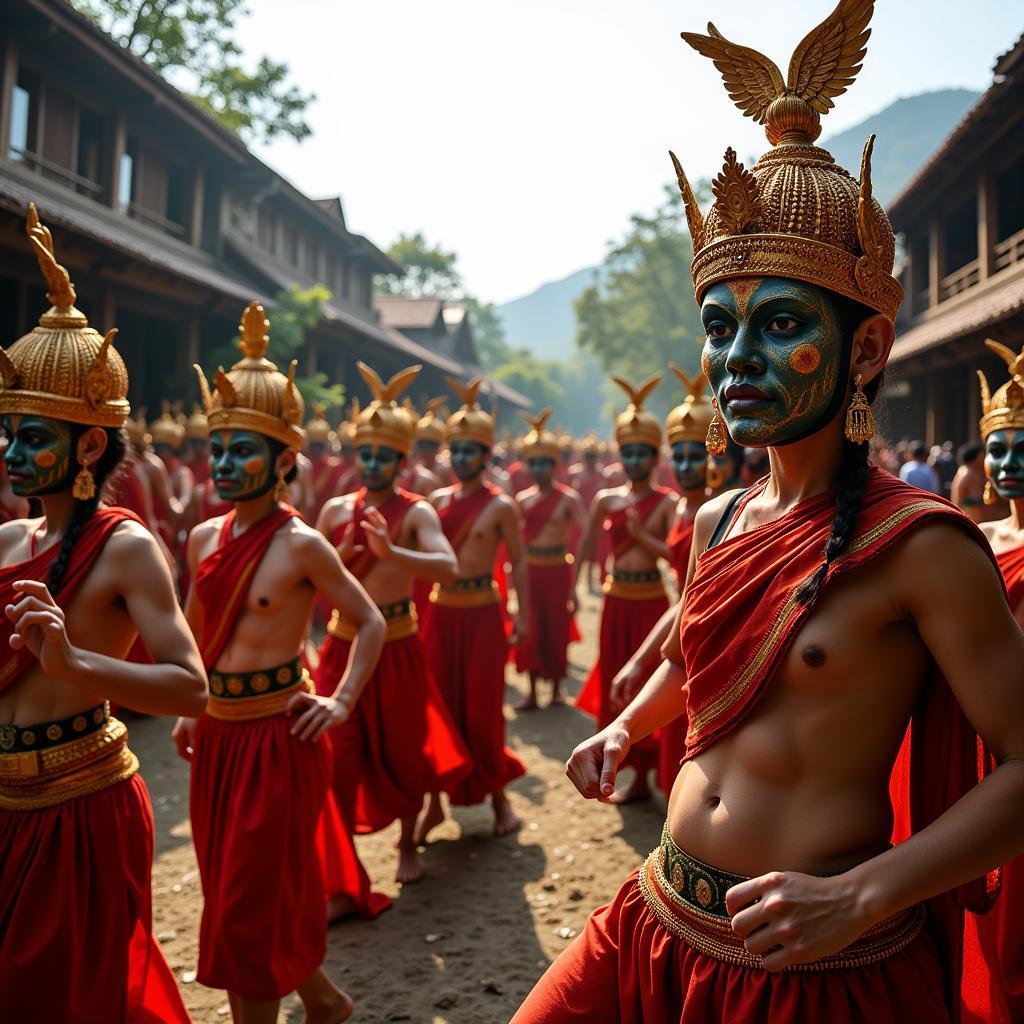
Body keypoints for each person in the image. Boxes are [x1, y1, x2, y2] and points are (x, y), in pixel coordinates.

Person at [513, 4, 1024, 1020]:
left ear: (867, 350)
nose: (737, 357)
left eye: (779, 323)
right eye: (719, 326)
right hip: (656, 909)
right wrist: (623, 726)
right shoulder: (717, 520)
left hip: (817, 961)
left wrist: (865, 892)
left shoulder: (920, 549)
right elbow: (694, 666)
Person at [0, 204, 206, 1023]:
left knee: (67, 996)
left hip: (81, 801)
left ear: (89, 445)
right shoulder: (8, 536)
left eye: (32, 435)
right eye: (7, 431)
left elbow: (190, 688)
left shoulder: (126, 548)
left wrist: (78, 665)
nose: (12, 452)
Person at [174, 301, 386, 1024]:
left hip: (278, 737)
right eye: (220, 449)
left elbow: (368, 620)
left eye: (244, 451)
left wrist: (342, 700)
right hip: (218, 737)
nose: (226, 464)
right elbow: (197, 633)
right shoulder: (203, 538)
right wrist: (187, 708)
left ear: (284, 461)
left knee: (246, 908)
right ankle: (326, 1001)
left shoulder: (301, 545)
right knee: (233, 891)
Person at [315, 361, 470, 885]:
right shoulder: (335, 510)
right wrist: (335, 556)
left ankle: (407, 844)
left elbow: (447, 567)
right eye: (367, 454)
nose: (374, 463)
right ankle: (345, 863)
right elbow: (307, 580)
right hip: (340, 644)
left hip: (398, 644)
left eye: (385, 456)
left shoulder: (417, 511)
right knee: (334, 755)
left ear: (401, 462)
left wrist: (391, 550)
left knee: (404, 748)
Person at [418, 376, 527, 842]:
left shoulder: (502, 506)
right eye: (455, 451)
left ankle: (499, 797)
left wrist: (520, 614)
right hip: (440, 615)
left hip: (484, 613)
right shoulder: (435, 503)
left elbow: (518, 563)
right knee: (439, 709)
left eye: (470, 451)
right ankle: (434, 804)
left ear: (486, 456)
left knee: (483, 710)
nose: (462, 459)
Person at [573, 375, 675, 804]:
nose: (634, 459)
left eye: (642, 453)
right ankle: (619, 766)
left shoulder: (668, 503)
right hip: (616, 599)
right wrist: (574, 585)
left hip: (651, 600)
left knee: (649, 679)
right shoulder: (606, 499)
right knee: (618, 675)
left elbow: (673, 557)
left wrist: (641, 534)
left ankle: (648, 774)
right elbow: (586, 542)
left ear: (653, 458)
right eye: (628, 452)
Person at [974, 341, 1024, 1021]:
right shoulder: (976, 538)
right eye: (1000, 449)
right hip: (978, 740)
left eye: (1023, 448)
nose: (1010, 463)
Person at [513, 408, 586, 710]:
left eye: (545, 463)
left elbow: (583, 536)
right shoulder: (522, 500)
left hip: (557, 568)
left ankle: (556, 689)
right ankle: (530, 692)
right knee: (531, 628)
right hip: (531, 569)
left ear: (554, 465)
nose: (539, 468)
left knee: (555, 628)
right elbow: (516, 545)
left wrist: (575, 584)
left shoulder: (568, 498)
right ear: (528, 466)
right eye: (534, 463)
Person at [951, 440, 987, 523]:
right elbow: (958, 502)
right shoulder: (967, 474)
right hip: (970, 520)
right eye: (983, 455)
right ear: (977, 457)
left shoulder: (971, 471)